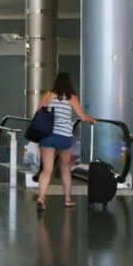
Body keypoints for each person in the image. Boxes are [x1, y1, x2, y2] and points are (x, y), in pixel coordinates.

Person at [36, 71, 96, 211]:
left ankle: (41, 197)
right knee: (65, 169)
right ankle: (68, 200)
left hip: (47, 135)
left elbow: (38, 113)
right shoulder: (72, 98)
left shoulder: (48, 95)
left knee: (46, 169)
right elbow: (82, 117)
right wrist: (92, 120)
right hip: (64, 137)